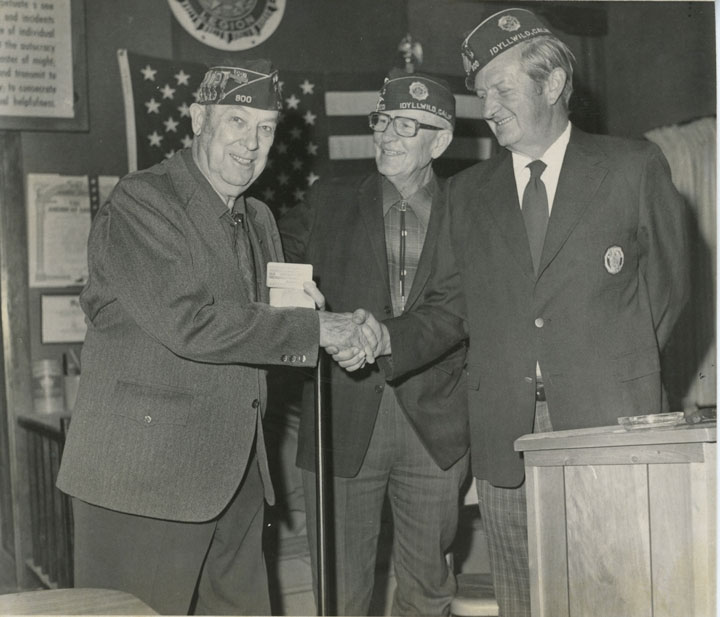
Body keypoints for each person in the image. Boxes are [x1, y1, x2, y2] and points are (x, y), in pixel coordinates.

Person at [342, 9, 690, 617]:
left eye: (502, 89)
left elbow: (669, 294)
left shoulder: (633, 169)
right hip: (508, 436)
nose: (490, 106)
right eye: (482, 94)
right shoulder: (468, 193)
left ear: (551, 85)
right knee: (523, 597)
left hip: (607, 429)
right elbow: (449, 309)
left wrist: (610, 370)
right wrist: (382, 338)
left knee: (615, 593)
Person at [56, 59, 378, 616]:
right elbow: (191, 322)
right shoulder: (144, 201)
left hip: (236, 476)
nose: (251, 144)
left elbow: (273, 326)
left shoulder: (258, 219)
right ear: (198, 118)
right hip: (145, 484)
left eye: (266, 129)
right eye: (236, 122)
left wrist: (339, 328)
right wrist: (313, 328)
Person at [279, 71, 470, 616]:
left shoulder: (472, 209)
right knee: (339, 593)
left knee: (428, 590)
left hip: (435, 426)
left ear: (441, 140)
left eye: (406, 125)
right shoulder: (327, 201)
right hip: (342, 421)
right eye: (382, 120)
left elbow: (462, 309)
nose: (387, 134)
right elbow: (262, 261)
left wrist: (383, 336)